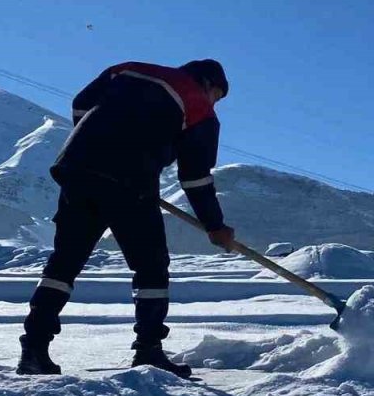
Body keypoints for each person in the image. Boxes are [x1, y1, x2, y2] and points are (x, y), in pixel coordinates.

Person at [18, 59, 236, 377]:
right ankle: (149, 350)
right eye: (218, 95)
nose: (215, 102)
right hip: (131, 182)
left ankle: (33, 350)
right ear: (208, 84)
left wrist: (97, 148)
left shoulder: (129, 70)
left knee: (64, 264)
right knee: (151, 267)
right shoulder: (200, 106)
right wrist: (215, 226)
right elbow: (196, 178)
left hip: (78, 169)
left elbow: (81, 102)